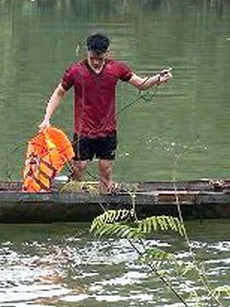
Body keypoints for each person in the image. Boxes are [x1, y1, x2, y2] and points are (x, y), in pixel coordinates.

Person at [38, 33, 172, 193]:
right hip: (83, 131)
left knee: (106, 170)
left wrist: (158, 78)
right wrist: (46, 118)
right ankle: (73, 199)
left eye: (100, 57)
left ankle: (102, 205)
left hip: (107, 131)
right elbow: (59, 92)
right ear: (87, 52)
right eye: (92, 57)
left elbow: (140, 84)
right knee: (79, 168)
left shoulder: (116, 68)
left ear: (107, 54)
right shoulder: (76, 71)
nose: (95, 61)